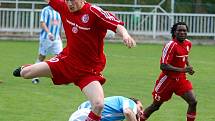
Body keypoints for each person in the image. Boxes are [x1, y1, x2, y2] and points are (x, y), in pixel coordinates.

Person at [13, 0, 136, 121]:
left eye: (73, 0)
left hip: (88, 71)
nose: (70, 4)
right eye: (67, 0)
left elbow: (116, 25)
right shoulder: (63, 6)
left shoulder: (94, 12)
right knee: (25, 73)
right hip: (66, 62)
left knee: (98, 105)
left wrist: (125, 35)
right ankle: (25, 68)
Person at [140, 22, 197, 121]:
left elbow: (185, 56)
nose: (182, 32)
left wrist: (189, 67)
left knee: (193, 102)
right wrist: (183, 69)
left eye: (184, 30)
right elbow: (163, 65)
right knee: (155, 106)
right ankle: (139, 119)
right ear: (174, 32)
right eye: (179, 30)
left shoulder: (188, 43)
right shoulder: (170, 45)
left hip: (181, 80)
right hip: (167, 80)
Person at [32, 5, 63, 84]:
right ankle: (35, 76)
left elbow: (59, 25)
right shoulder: (46, 10)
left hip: (56, 39)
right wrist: (49, 33)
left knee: (61, 57)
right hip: (46, 38)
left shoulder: (59, 10)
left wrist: (60, 36)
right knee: (42, 57)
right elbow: (42, 23)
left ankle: (61, 77)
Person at [74, 96, 144, 121]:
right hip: (86, 114)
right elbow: (128, 112)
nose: (141, 112)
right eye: (140, 108)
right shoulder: (130, 102)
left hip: (79, 114)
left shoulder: (118, 116)